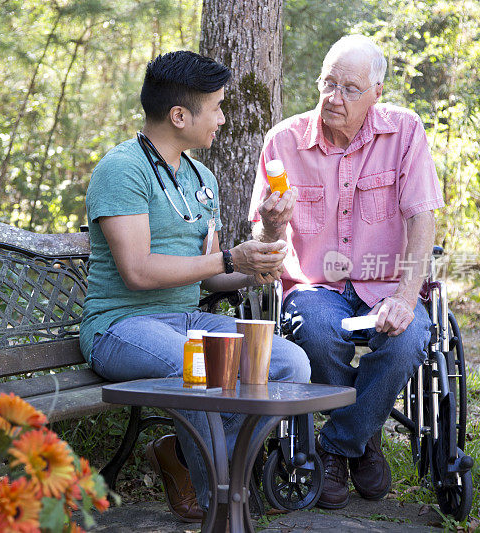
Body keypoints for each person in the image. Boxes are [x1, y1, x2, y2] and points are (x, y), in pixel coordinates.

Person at [80, 50, 311, 522]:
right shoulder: (121, 169)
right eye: (217, 107)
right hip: (118, 326)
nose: (223, 119)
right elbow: (138, 271)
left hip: (185, 322)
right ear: (180, 115)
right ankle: (223, 508)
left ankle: (185, 461)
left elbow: (216, 274)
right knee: (207, 369)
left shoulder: (199, 177)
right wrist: (229, 256)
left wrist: (266, 239)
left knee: (291, 363)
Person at [249, 34, 444, 509]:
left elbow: (422, 216)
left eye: (350, 88)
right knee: (315, 330)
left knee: (409, 336)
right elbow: (264, 246)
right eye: (328, 83)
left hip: (386, 284)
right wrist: (273, 225)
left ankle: (339, 445)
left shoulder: (404, 131)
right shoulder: (283, 142)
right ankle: (364, 433)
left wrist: (404, 295)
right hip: (315, 286)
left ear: (377, 92)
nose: (334, 98)